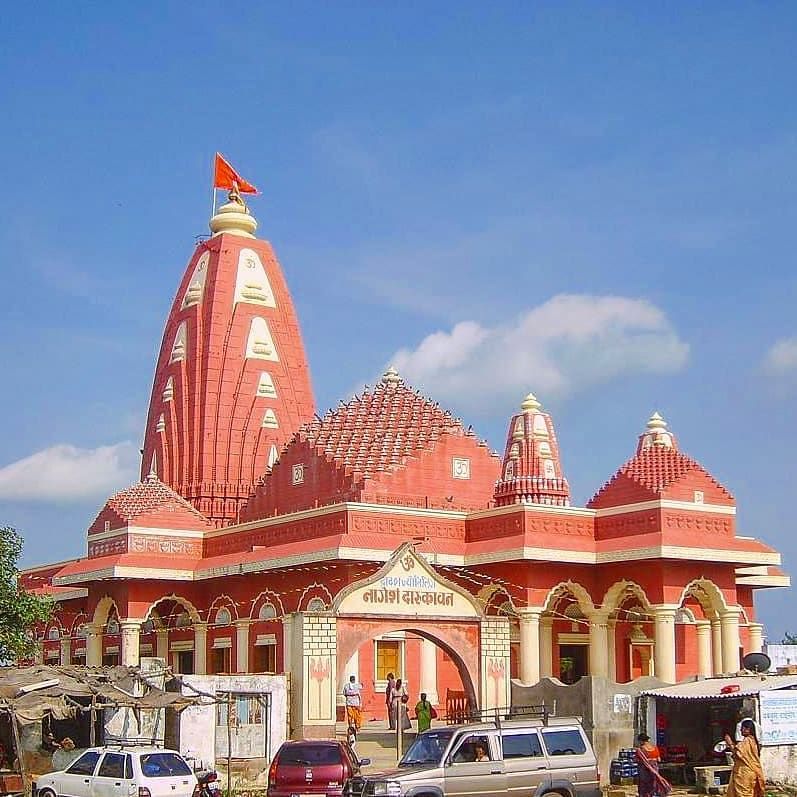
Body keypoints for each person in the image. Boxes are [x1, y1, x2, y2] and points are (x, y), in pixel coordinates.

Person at [724, 719, 765, 797]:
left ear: (748, 729)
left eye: (742, 728)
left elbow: (738, 753)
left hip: (745, 772)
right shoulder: (753, 741)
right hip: (751, 772)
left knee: (743, 794)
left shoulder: (747, 741)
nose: (740, 730)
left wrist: (730, 743)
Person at [635, 733, 671, 797]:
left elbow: (637, 760)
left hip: (645, 770)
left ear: (641, 741)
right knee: (654, 783)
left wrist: (647, 763)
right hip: (654, 769)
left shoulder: (640, 750)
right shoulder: (655, 748)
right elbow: (659, 759)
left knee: (644, 785)